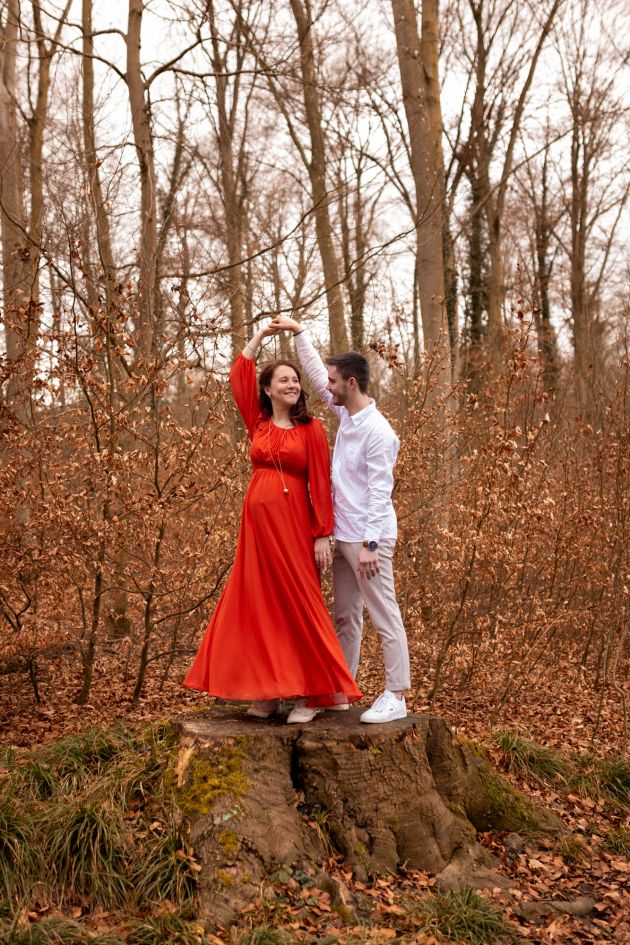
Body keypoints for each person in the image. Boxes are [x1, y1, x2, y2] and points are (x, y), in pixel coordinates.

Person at [183, 324, 362, 723]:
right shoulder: (258, 423)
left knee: (300, 605)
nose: (293, 385)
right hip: (257, 534)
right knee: (261, 607)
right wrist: (259, 337)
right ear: (267, 389)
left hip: (296, 529)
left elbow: (321, 484)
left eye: (296, 380)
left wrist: (322, 534)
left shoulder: (311, 429)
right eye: (284, 380)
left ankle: (311, 695)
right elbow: (238, 374)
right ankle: (268, 693)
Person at [271, 316, 411, 724]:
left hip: (370, 540)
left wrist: (370, 545)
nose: (326, 388)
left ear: (351, 383)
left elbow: (379, 493)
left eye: (334, 382)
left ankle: (396, 694)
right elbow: (315, 374)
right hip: (344, 536)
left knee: (384, 614)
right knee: (346, 616)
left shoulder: (379, 433)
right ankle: (340, 688)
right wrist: (299, 334)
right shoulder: (347, 415)